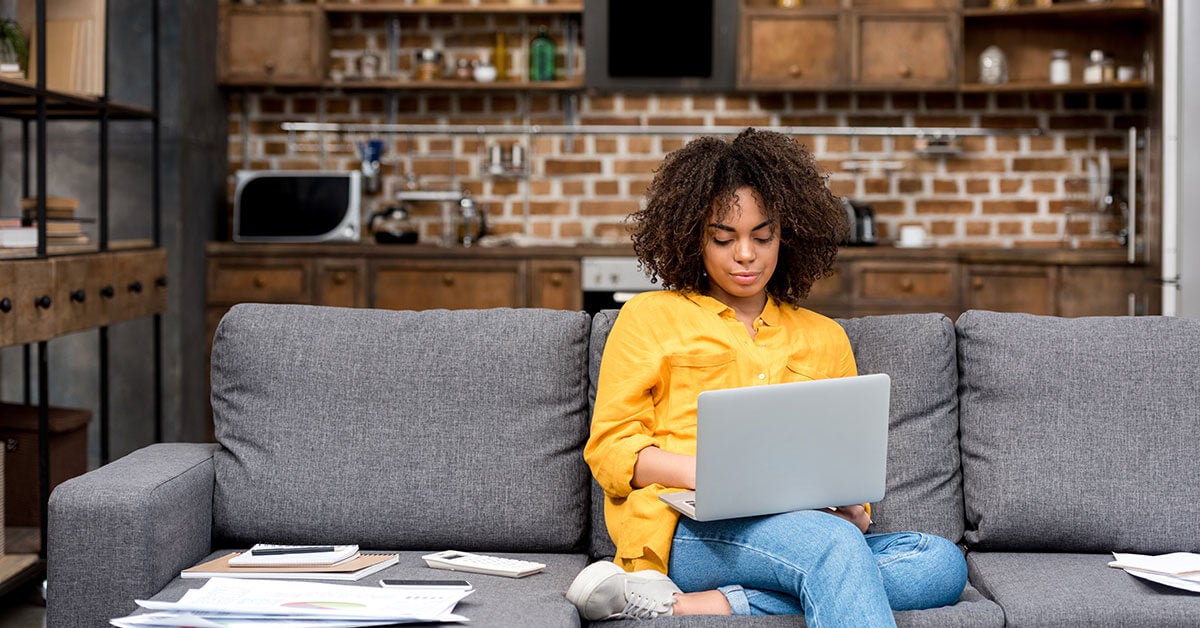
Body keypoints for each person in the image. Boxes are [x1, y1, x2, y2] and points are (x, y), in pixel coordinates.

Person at [565, 129, 967, 626]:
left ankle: (703, 604)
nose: (746, 256)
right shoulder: (649, 317)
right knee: (833, 549)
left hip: (805, 528)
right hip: (686, 528)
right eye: (724, 238)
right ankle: (796, 569)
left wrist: (854, 510)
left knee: (939, 563)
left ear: (787, 235)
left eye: (762, 236)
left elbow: (845, 462)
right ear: (694, 235)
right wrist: (716, 474)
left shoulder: (824, 337)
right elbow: (610, 450)